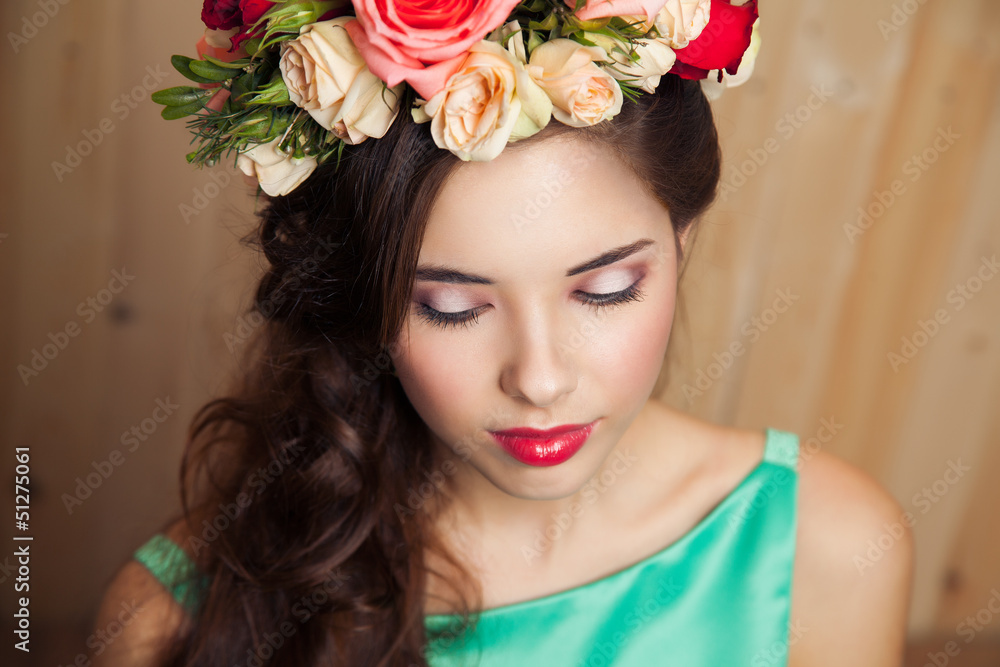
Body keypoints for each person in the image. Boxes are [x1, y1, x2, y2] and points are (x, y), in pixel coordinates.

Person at [92, 2, 914, 665]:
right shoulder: (165, 619)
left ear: (681, 242)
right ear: (364, 298)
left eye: (605, 288)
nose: (541, 378)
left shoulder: (825, 548)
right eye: (452, 306)